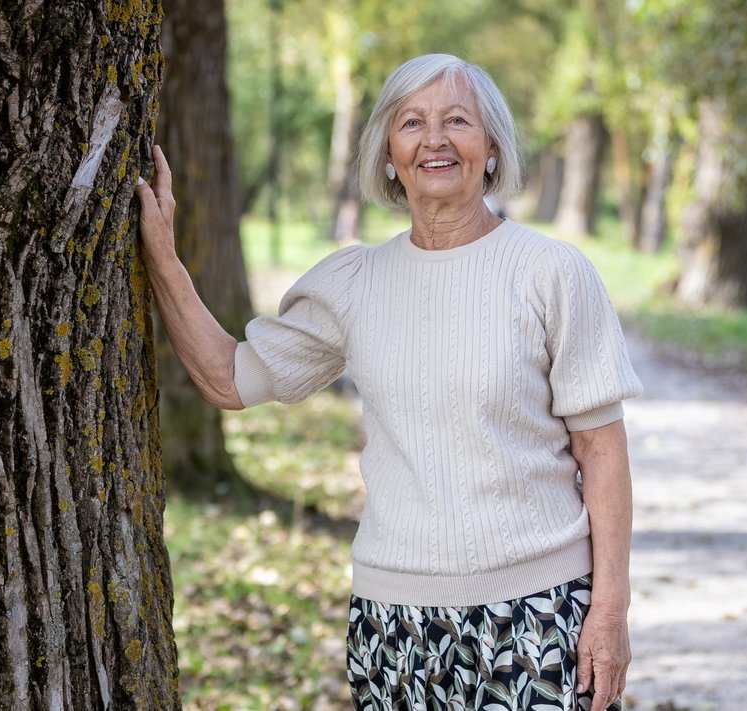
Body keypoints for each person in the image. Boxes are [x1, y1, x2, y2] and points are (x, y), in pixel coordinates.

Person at [136, 53, 642, 711]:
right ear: (387, 153)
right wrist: (162, 257)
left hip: (536, 613)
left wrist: (609, 610)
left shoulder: (551, 273)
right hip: (391, 622)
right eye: (412, 122)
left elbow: (602, 451)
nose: (434, 139)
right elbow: (230, 378)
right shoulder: (355, 283)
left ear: (491, 148)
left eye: (457, 120)